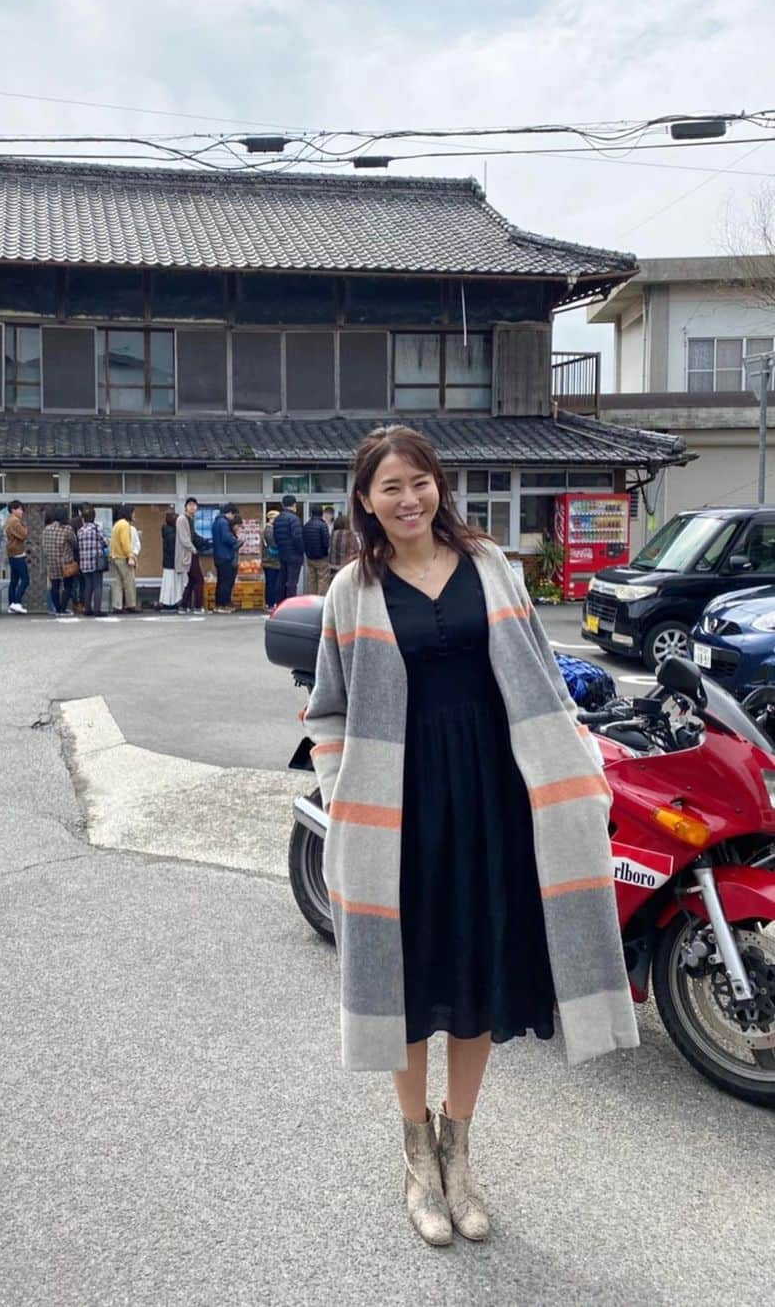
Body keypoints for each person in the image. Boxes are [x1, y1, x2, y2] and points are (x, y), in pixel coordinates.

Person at [304, 425, 637, 1248]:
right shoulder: (352, 588)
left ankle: (460, 1149)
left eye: (419, 481)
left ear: (438, 486)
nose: (408, 498)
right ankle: (416, 1154)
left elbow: (541, 676)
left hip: (491, 792)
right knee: (408, 980)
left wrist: (577, 762)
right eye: (390, 486)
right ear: (365, 501)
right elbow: (328, 706)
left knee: (479, 969)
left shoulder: (494, 568)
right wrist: (344, 783)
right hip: (400, 809)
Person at [42, 505, 79, 616]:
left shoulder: (46, 529)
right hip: (66, 562)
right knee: (67, 587)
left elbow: (44, 545)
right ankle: (63, 609)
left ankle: (57, 609)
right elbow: (74, 543)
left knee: (55, 587)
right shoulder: (67, 528)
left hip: (52, 561)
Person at [76, 505, 106, 616]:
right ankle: (97, 609)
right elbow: (104, 541)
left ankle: (87, 609)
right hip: (96, 561)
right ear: (94, 518)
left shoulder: (80, 531)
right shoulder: (96, 528)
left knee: (88, 585)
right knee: (98, 585)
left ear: (83, 518)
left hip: (84, 562)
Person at [272, 494, 304, 600]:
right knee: (292, 582)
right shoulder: (294, 519)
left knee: (282, 580)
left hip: (282, 554)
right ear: (294, 505)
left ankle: (280, 602)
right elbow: (297, 537)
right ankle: (291, 603)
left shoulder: (277, 519)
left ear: (282, 505)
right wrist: (301, 551)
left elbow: (275, 537)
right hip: (294, 555)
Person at [210, 502, 241, 613]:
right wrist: (237, 542)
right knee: (226, 582)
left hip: (218, 556)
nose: (233, 518)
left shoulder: (216, 522)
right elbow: (226, 537)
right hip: (225, 556)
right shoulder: (223, 523)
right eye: (233, 515)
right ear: (229, 513)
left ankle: (219, 604)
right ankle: (222, 605)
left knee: (221, 582)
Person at [177, 498, 205, 614]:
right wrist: (193, 549)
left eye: (194, 505)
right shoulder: (182, 519)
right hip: (187, 553)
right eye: (190, 505)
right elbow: (184, 538)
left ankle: (183, 606)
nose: (192, 507)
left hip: (190, 552)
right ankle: (198, 607)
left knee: (192, 580)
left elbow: (192, 536)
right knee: (199, 580)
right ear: (185, 507)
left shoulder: (190, 519)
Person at [109, 504, 138, 614]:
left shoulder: (117, 524)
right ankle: (131, 605)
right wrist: (130, 555)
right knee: (129, 581)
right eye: (133, 512)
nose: (134, 515)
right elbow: (125, 542)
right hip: (122, 557)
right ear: (128, 513)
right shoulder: (125, 525)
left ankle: (117, 606)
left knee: (118, 583)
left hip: (114, 556)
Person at [4, 501, 30, 614]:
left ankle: (11, 604)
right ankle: (17, 603)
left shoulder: (9, 520)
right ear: (13, 510)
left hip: (11, 553)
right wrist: (25, 528)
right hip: (18, 553)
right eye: (20, 509)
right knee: (25, 579)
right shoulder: (14, 521)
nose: (22, 511)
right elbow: (24, 534)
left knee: (14, 580)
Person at [303, 503, 332, 595]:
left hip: (310, 557)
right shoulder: (322, 525)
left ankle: (312, 598)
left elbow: (304, 541)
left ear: (311, 513)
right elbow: (326, 542)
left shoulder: (306, 525)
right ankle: (321, 600)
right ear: (321, 513)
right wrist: (325, 553)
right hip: (321, 558)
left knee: (312, 580)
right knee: (323, 580)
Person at [158, 509, 183, 612]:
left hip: (168, 561)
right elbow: (174, 547)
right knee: (172, 583)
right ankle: (170, 603)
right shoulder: (172, 532)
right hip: (172, 561)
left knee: (168, 583)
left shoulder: (166, 530)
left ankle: (168, 602)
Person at [328, 512, 359, 582]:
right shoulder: (350, 535)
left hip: (332, 567)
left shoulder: (332, 535)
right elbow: (356, 550)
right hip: (345, 567)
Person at [262, 507, 282, 613]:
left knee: (272, 583)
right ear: (271, 518)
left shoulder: (269, 528)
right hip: (271, 561)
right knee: (271, 583)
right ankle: (270, 603)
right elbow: (273, 544)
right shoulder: (269, 530)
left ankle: (270, 603)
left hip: (270, 561)